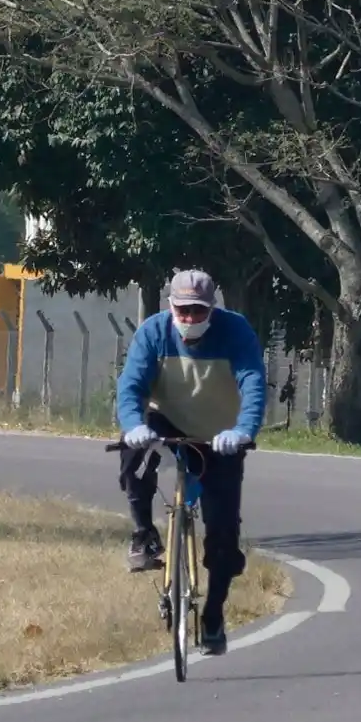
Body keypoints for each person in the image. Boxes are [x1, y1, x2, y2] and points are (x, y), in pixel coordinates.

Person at [114, 268, 266, 656]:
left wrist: (243, 431)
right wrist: (133, 426)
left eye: (199, 310)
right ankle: (143, 534)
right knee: (134, 454)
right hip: (165, 421)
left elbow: (252, 382)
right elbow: (130, 386)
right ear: (171, 306)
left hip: (220, 436)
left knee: (223, 536)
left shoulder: (236, 331)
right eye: (183, 310)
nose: (190, 317)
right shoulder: (153, 332)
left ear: (212, 308)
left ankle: (213, 615)